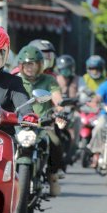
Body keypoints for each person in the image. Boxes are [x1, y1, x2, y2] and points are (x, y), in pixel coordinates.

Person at [16, 45, 66, 196]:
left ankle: (52, 175)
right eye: (26, 64)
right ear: (21, 65)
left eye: (33, 64)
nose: (30, 68)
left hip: (42, 124)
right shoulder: (15, 80)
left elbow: (57, 97)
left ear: (40, 65)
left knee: (56, 143)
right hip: (19, 124)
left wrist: (59, 110)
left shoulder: (49, 80)